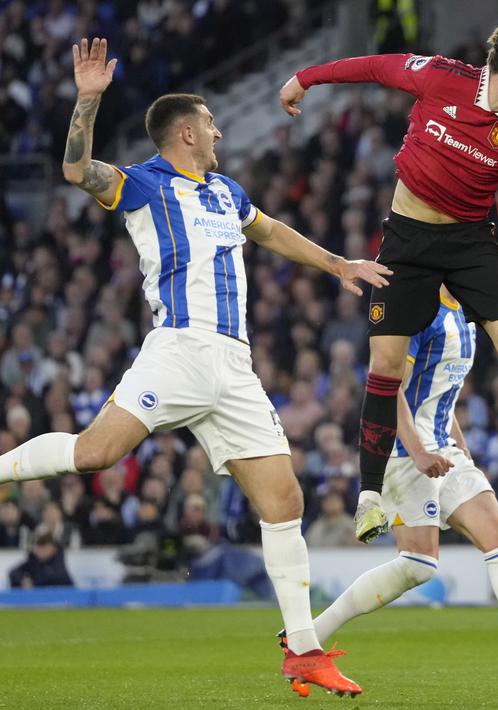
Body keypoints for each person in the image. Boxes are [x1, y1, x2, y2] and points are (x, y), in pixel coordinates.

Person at [0, 38, 391, 698]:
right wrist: (89, 99)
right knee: (96, 454)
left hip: (233, 363)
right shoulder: (145, 183)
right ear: (187, 131)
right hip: (179, 349)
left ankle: (303, 651)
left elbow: (267, 231)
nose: (217, 130)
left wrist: (338, 264)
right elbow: (76, 172)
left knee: (283, 499)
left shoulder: (225, 190)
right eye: (209, 122)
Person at [278, 16, 498, 544]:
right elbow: (371, 66)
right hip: (408, 244)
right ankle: (368, 497)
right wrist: (306, 77)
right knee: (385, 366)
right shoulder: (440, 77)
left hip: (471, 244)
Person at [292, 288, 498, 694]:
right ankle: (305, 638)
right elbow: (387, 388)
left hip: (443, 445)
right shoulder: (418, 310)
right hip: (402, 450)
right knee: (418, 564)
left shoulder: (467, 309)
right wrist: (417, 449)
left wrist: (457, 439)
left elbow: (440, 390)